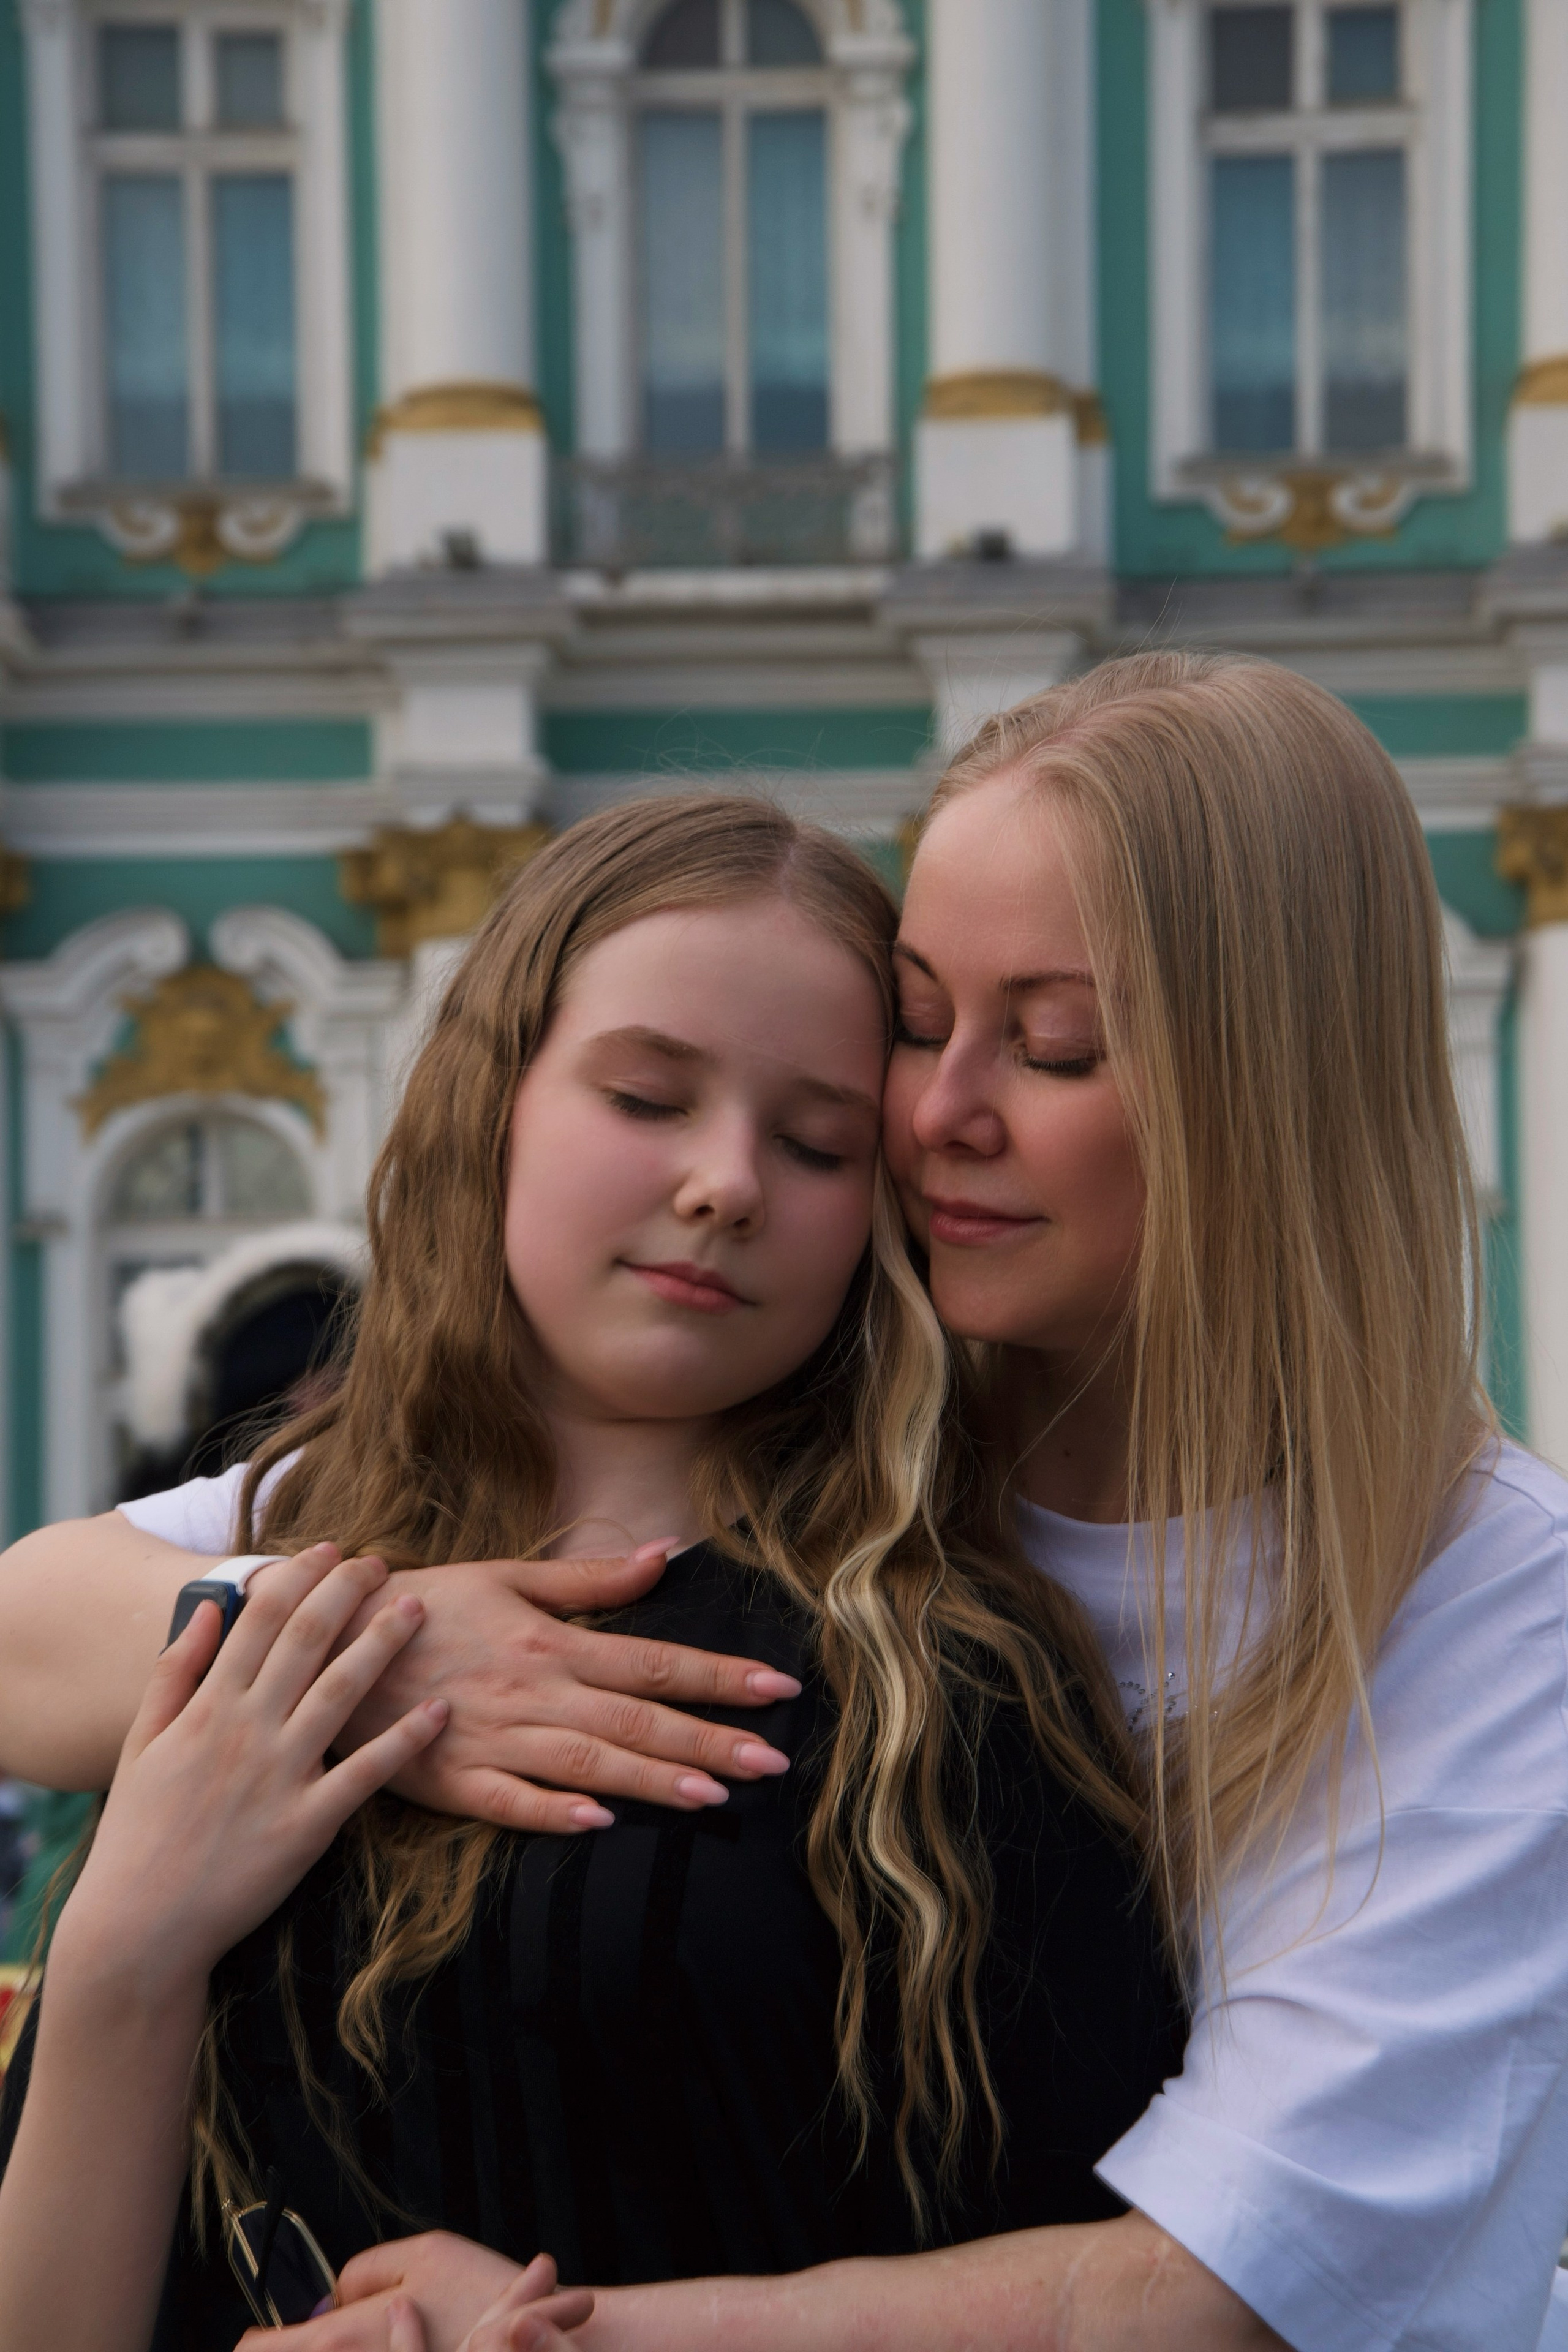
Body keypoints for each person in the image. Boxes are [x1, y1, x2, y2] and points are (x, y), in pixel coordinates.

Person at [2, 651, 1566, 2352]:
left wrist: (554, 2338)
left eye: (1052, 1048)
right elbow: (33, 1627)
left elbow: (1215, 2292)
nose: (936, 1116)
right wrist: (374, 1644)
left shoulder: (1458, 1589)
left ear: (1270, 1097)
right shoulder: (814, 1456)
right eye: (918, 1027)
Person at [0, 796, 1181, 2352]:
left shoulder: (958, 1685)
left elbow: (1100, 2281)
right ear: (490, 1098)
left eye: (816, 1143)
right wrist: (122, 1952)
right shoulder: (274, 1590)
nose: (725, 1183)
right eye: (645, 1096)